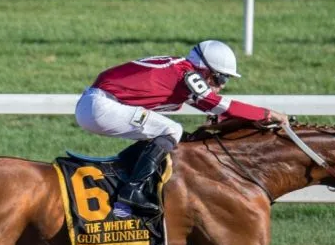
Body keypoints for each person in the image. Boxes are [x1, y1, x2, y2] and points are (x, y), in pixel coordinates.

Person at [75, 40, 288, 214]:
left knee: (172, 136)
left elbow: (215, 110)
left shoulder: (182, 72)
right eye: (220, 77)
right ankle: (132, 190)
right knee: (172, 130)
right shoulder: (188, 73)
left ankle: (131, 182)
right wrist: (267, 114)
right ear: (205, 70)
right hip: (101, 106)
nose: (222, 84)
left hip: (97, 104)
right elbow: (219, 104)